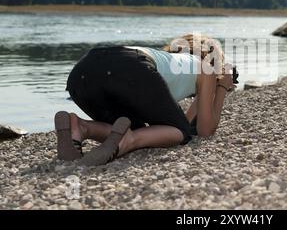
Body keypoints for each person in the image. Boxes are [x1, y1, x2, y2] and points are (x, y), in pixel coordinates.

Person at [54, 34, 235, 166]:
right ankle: (129, 140)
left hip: (83, 72)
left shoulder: (169, 61)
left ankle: (81, 128)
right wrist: (221, 88)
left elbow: (176, 121)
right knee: (182, 134)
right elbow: (204, 130)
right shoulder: (206, 67)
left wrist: (206, 93)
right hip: (131, 69)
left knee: (134, 127)